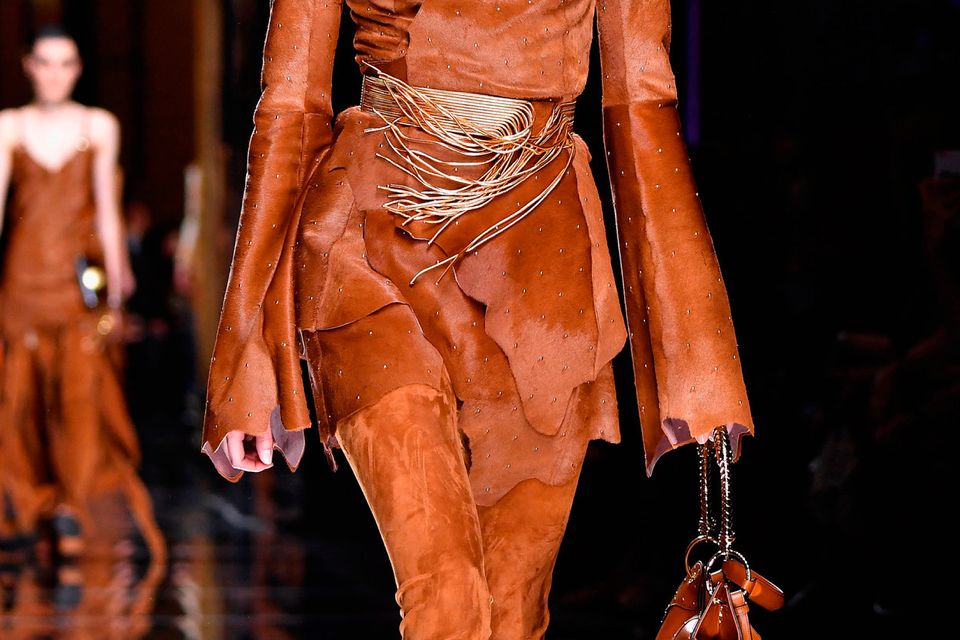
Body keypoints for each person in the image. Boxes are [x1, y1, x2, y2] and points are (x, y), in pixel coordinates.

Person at [203, 1, 755, 638]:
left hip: (543, 272)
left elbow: (641, 104)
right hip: (372, 241)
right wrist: (248, 358)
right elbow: (291, 106)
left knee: (512, 614)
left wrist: (698, 355)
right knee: (447, 598)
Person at [0, 25, 160, 562]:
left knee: (79, 399)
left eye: (64, 63)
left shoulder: (98, 125)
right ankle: (32, 504)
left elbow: (106, 209)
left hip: (74, 287)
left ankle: (71, 504)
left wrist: (118, 278)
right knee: (18, 402)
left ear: (77, 69)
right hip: (21, 282)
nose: (53, 73)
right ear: (28, 66)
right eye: (44, 63)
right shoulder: (9, 127)